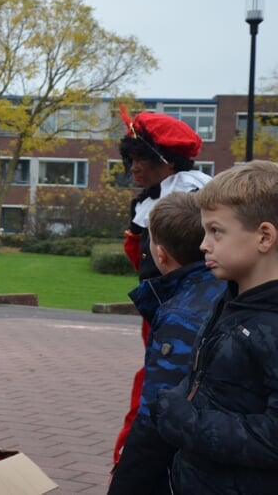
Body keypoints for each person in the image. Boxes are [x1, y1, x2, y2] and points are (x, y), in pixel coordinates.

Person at [152, 160, 278, 493]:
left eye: (216, 231)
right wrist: (174, 398)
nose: (203, 245)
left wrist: (185, 421)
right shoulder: (229, 301)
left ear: (264, 236)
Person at [107, 192, 226, 494]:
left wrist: (125, 482)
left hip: (188, 468)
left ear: (159, 254)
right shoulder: (229, 288)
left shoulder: (181, 314)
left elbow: (157, 415)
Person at [112, 108, 211, 467]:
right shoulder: (150, 197)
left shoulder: (189, 195)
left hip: (187, 308)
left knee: (163, 390)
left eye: (142, 157)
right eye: (130, 157)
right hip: (161, 307)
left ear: (166, 160)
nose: (133, 166)